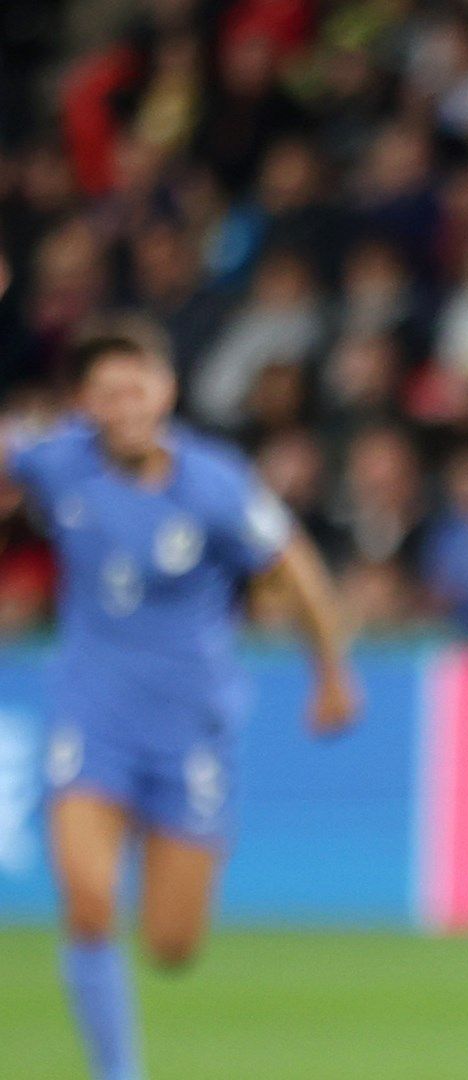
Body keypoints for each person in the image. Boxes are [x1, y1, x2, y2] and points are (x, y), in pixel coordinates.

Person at [3, 331, 360, 1080]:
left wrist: (330, 673)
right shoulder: (57, 458)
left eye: (137, 389)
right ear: (86, 403)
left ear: (165, 392)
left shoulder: (215, 484)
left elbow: (293, 568)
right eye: (107, 393)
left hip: (191, 729)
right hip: (90, 716)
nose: (124, 407)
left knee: (171, 944)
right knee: (89, 903)